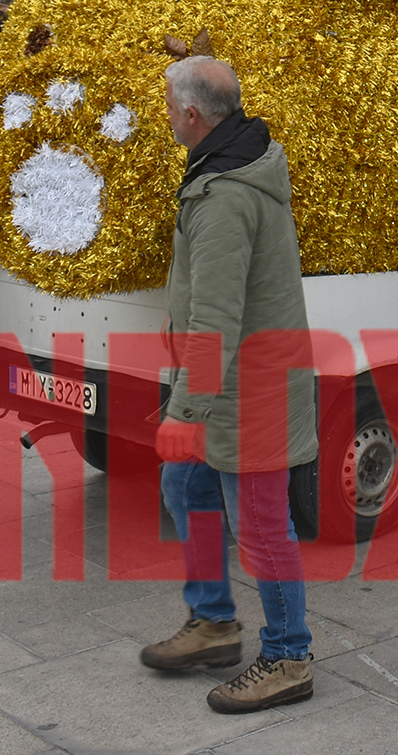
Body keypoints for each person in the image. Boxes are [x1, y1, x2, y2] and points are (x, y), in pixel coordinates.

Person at [140, 56, 318, 715]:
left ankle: (289, 657)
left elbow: (217, 317)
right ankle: (214, 623)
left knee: (263, 527)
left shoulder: (225, 194)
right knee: (184, 486)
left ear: (192, 114)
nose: (165, 115)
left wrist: (185, 411)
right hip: (229, 384)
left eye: (168, 106)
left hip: (251, 391)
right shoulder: (229, 162)